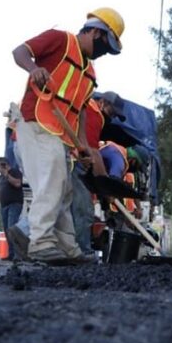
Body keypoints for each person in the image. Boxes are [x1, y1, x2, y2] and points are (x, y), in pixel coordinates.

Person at [11, 7, 125, 264]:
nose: (103, 53)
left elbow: (81, 110)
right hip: (35, 120)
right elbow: (20, 51)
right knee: (53, 181)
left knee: (65, 189)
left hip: (60, 134)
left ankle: (66, 248)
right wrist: (33, 69)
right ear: (95, 31)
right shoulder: (60, 40)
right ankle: (40, 242)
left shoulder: (90, 74)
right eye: (104, 46)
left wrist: (82, 145)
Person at [70, 91, 127, 254]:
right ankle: (83, 252)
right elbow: (93, 152)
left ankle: (25, 231)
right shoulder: (94, 112)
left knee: (61, 207)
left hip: (73, 160)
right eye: (112, 112)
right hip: (75, 163)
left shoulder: (88, 108)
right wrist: (106, 188)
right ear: (103, 102)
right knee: (84, 210)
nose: (112, 117)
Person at [0, 158, 23, 259]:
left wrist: (7, 174)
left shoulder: (14, 172)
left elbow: (17, 183)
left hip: (14, 204)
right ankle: (11, 253)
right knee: (7, 230)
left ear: (6, 164)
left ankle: (17, 254)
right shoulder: (0, 177)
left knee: (12, 229)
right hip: (4, 206)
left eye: (0, 165)